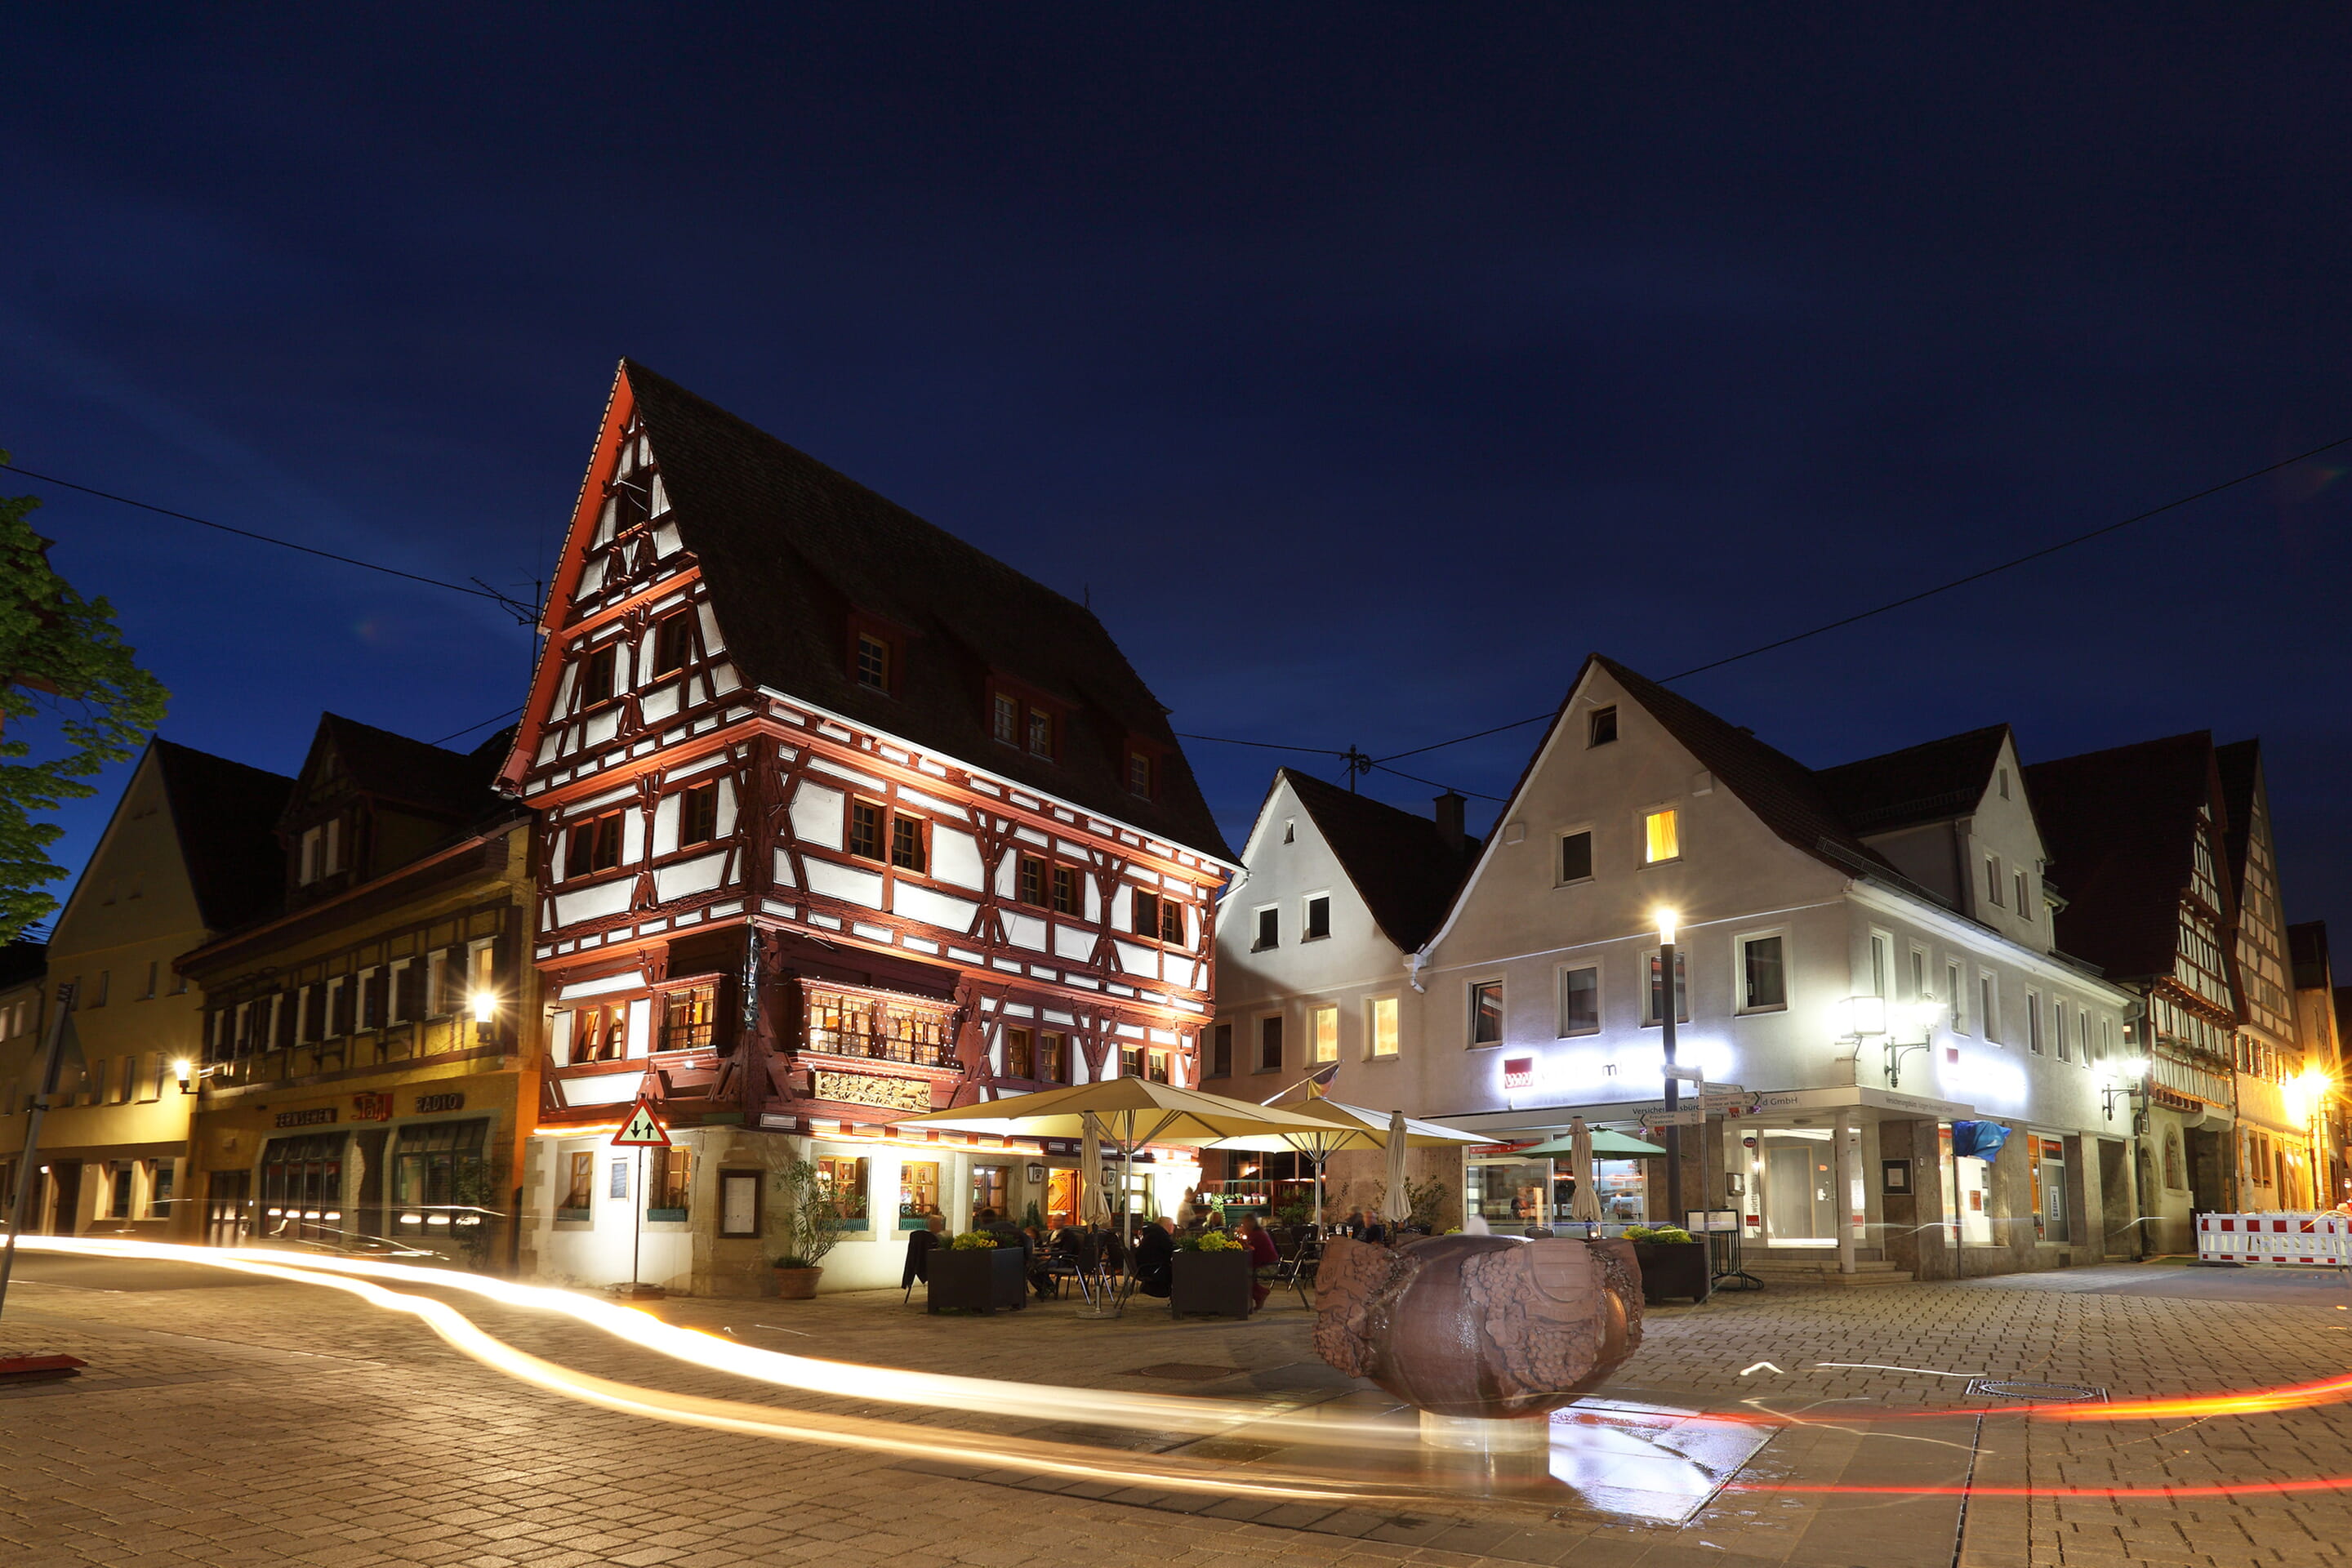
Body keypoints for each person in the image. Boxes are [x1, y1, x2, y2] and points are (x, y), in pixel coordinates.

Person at [1235, 1214, 1280, 1308]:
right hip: (1265, 1264)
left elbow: (1252, 1252)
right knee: (1241, 1273)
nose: (1243, 1226)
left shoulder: (1257, 1235)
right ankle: (1258, 1295)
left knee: (1240, 1275)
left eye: (1245, 1223)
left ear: (1251, 1223)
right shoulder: (1257, 1233)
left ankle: (1261, 1293)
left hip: (1269, 1266)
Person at [1133, 1215, 1176, 1298]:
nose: (1174, 1227)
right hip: (1153, 1269)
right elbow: (1171, 1248)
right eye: (1172, 1225)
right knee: (1179, 1270)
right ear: (1168, 1226)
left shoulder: (1154, 1233)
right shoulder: (1160, 1235)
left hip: (1144, 1267)